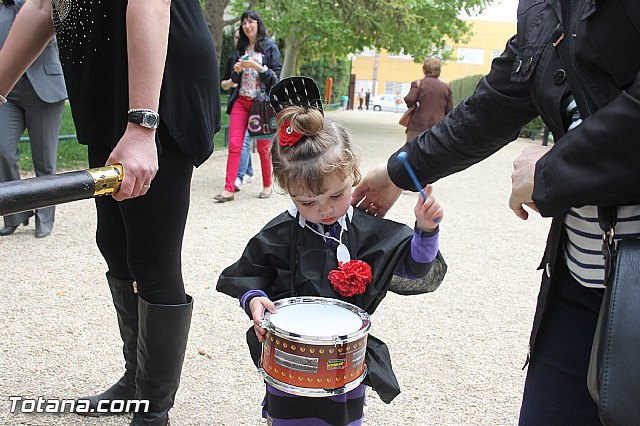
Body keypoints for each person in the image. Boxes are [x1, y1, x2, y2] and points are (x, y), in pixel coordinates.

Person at [352, 2, 640, 425]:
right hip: (581, 279)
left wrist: (552, 171)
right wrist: (398, 171)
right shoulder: (544, 9)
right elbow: (491, 107)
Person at [0, 1, 219, 424]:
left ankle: (153, 413)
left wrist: (141, 126)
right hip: (107, 85)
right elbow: (46, 5)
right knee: (114, 243)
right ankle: (136, 383)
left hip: (156, 86)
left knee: (151, 257)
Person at [217, 76, 446, 425]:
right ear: (285, 190)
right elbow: (250, 275)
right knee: (286, 417)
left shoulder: (367, 232)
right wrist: (254, 300)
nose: (324, 210)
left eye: (336, 196)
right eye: (306, 201)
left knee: (343, 418)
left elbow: (414, 269)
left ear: (354, 174)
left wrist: (426, 232)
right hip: (287, 356)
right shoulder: (279, 234)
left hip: (346, 360)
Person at [0, 0, 67, 239]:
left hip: (44, 89)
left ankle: (45, 217)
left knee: (44, 159)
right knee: (2, 151)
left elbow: (43, 32)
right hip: (8, 92)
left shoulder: (47, 4)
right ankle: (15, 212)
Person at [214, 10, 281, 203]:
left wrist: (256, 66)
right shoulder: (239, 49)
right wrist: (236, 71)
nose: (247, 25)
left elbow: (275, 79)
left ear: (258, 24)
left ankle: (267, 185)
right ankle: (228, 189)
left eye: (251, 22)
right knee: (235, 145)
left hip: (261, 104)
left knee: (262, 147)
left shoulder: (270, 47)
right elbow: (233, 80)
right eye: (244, 23)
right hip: (241, 102)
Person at [221, 27, 253, 192]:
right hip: (237, 103)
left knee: (245, 142)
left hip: (255, 105)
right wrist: (232, 82)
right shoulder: (233, 58)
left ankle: (240, 176)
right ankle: (246, 172)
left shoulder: (256, 56)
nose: (237, 39)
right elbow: (224, 83)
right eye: (235, 37)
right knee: (240, 142)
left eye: (239, 37)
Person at [403, 57, 453, 141]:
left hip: (418, 125)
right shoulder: (446, 87)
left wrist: (413, 106)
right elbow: (450, 110)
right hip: (438, 126)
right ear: (439, 71)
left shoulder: (418, 84)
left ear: (424, 70)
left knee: (414, 151)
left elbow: (409, 99)